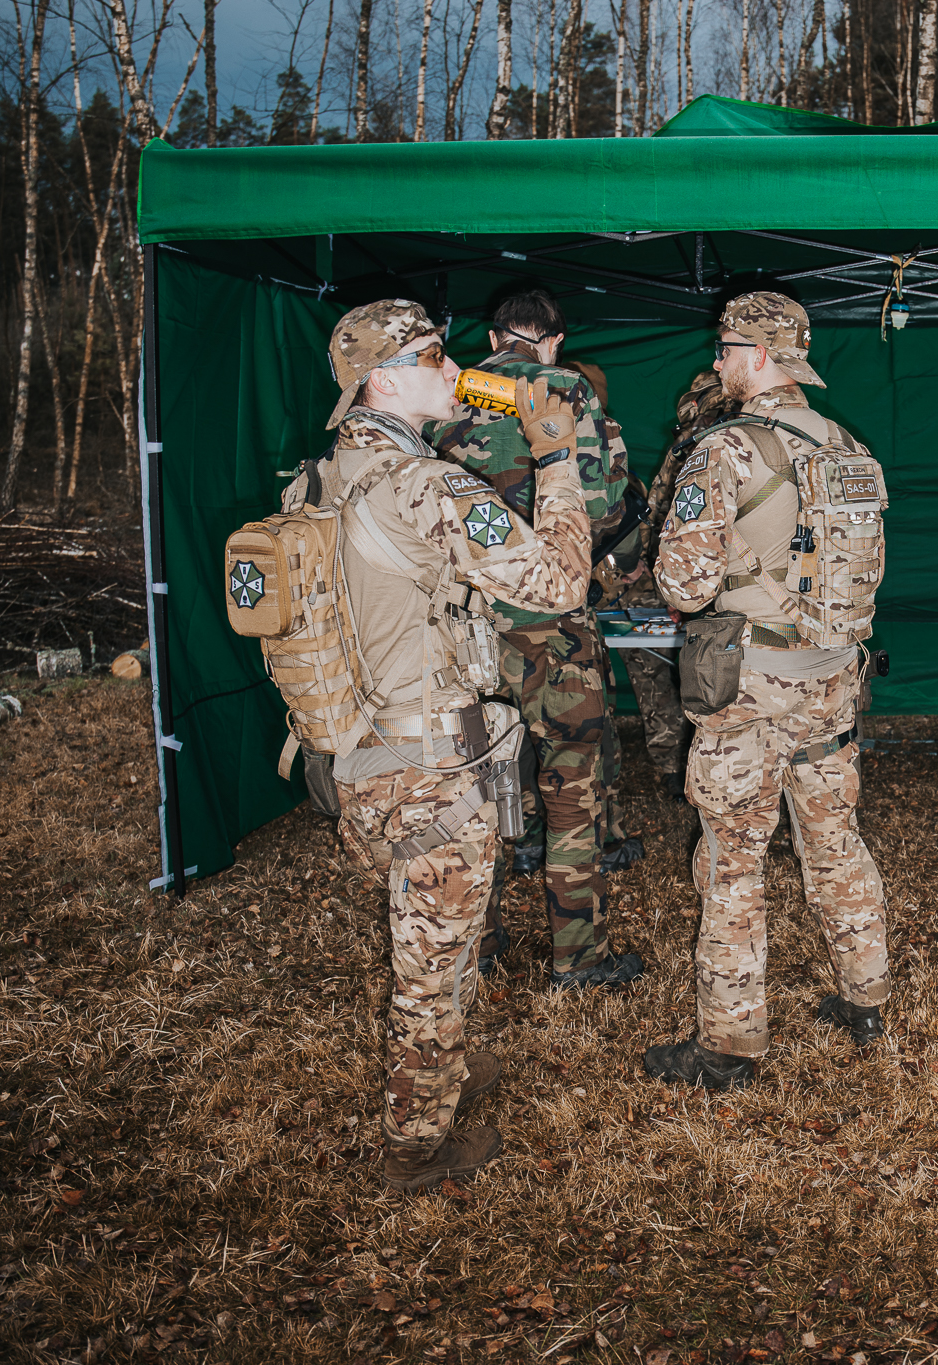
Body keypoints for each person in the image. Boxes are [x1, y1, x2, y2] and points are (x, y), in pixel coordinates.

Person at [295, 299, 591, 1190]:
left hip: (357, 755)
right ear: (382, 381)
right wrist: (557, 457)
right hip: (426, 770)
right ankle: (415, 1146)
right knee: (428, 965)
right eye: (431, 355)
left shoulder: (322, 477)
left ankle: (445, 1066)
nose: (450, 365)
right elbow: (557, 581)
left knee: (438, 942)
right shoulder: (428, 485)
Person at [641, 292, 892, 1090]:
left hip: (750, 688)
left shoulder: (725, 450)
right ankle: (865, 997)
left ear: (756, 355)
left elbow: (683, 583)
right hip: (830, 680)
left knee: (732, 860)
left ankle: (730, 1046)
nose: (714, 362)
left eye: (723, 348)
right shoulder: (847, 446)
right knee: (835, 840)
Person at [427, 288, 645, 992]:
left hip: (467, 629)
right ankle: (577, 958)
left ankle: (479, 946)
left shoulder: (451, 397)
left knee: (472, 792)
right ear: (553, 341)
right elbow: (610, 503)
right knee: (571, 789)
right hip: (553, 628)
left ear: (495, 339)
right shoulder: (569, 393)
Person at [597, 371, 736, 800]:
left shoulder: (703, 445)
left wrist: (645, 566)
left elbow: (661, 514)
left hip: (686, 583)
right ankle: (689, 766)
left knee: (655, 672)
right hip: (701, 588)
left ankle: (676, 766)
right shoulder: (734, 439)